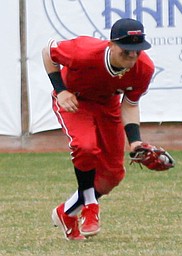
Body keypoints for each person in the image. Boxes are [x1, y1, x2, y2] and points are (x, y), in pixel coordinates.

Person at [42, 18, 155, 240]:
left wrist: (135, 142)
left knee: (113, 174)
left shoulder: (144, 68)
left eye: (137, 51)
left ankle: (67, 212)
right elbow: (48, 51)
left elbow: (130, 105)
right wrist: (61, 90)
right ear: (111, 44)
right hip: (75, 101)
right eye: (126, 51)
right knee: (85, 147)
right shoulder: (84, 52)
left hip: (107, 104)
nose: (132, 56)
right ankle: (90, 206)